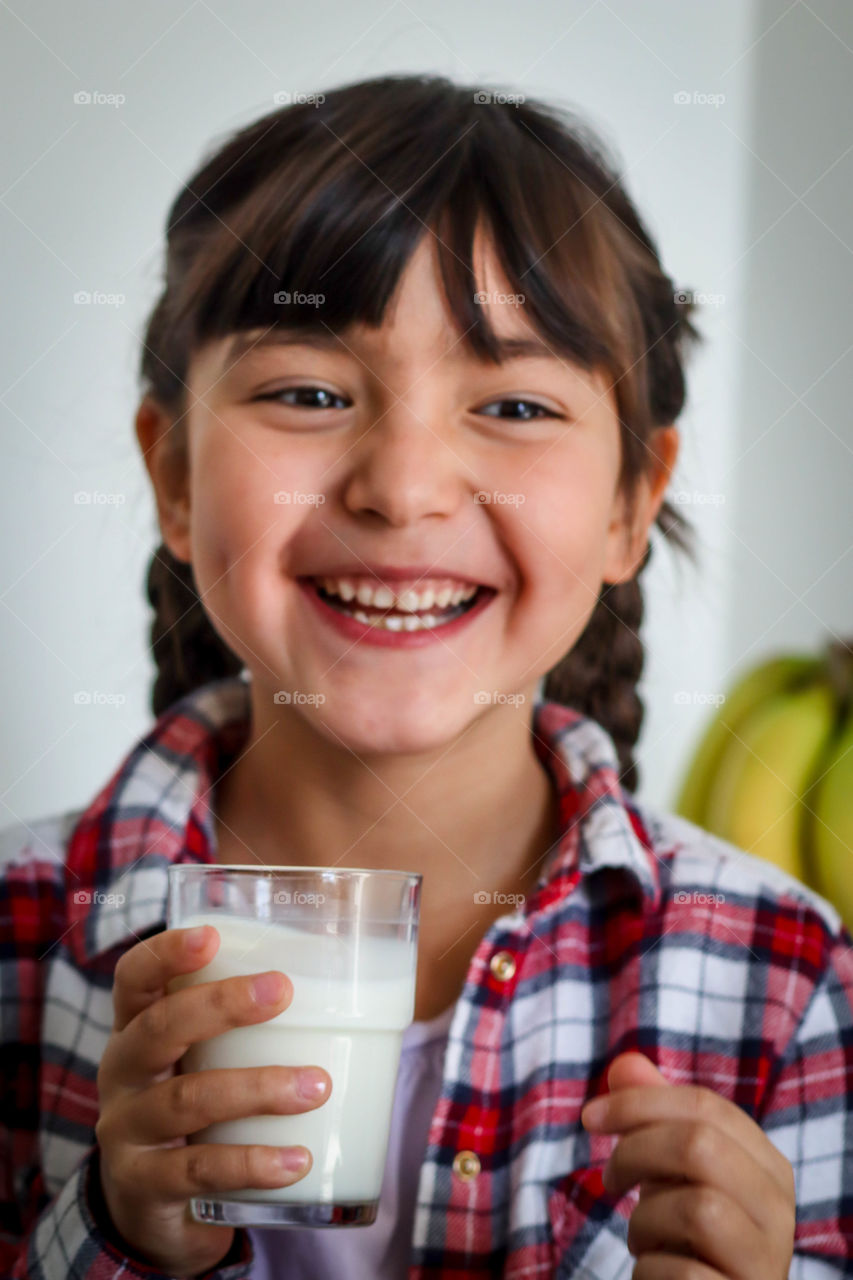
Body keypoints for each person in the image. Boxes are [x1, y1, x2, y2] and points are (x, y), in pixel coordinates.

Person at [1, 72, 849, 1280]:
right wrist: (121, 1239)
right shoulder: (15, 940)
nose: (401, 487)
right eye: (306, 392)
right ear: (175, 473)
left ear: (630, 501)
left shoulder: (788, 983)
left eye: (511, 402)